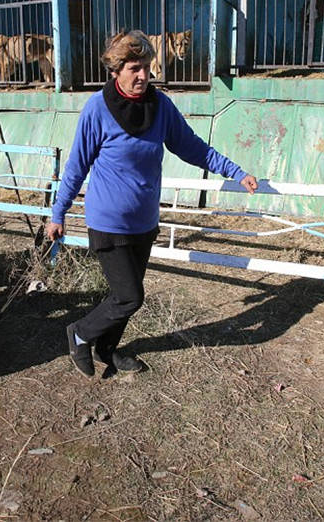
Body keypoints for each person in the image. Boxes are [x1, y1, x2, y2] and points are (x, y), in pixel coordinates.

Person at [48, 30, 258, 377]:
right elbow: (76, 166)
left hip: (144, 223)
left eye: (146, 66)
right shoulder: (97, 109)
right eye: (134, 67)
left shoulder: (160, 107)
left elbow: (193, 147)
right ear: (116, 70)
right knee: (129, 297)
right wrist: (58, 214)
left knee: (127, 298)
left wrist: (234, 171)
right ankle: (80, 334)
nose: (143, 75)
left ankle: (108, 350)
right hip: (108, 222)